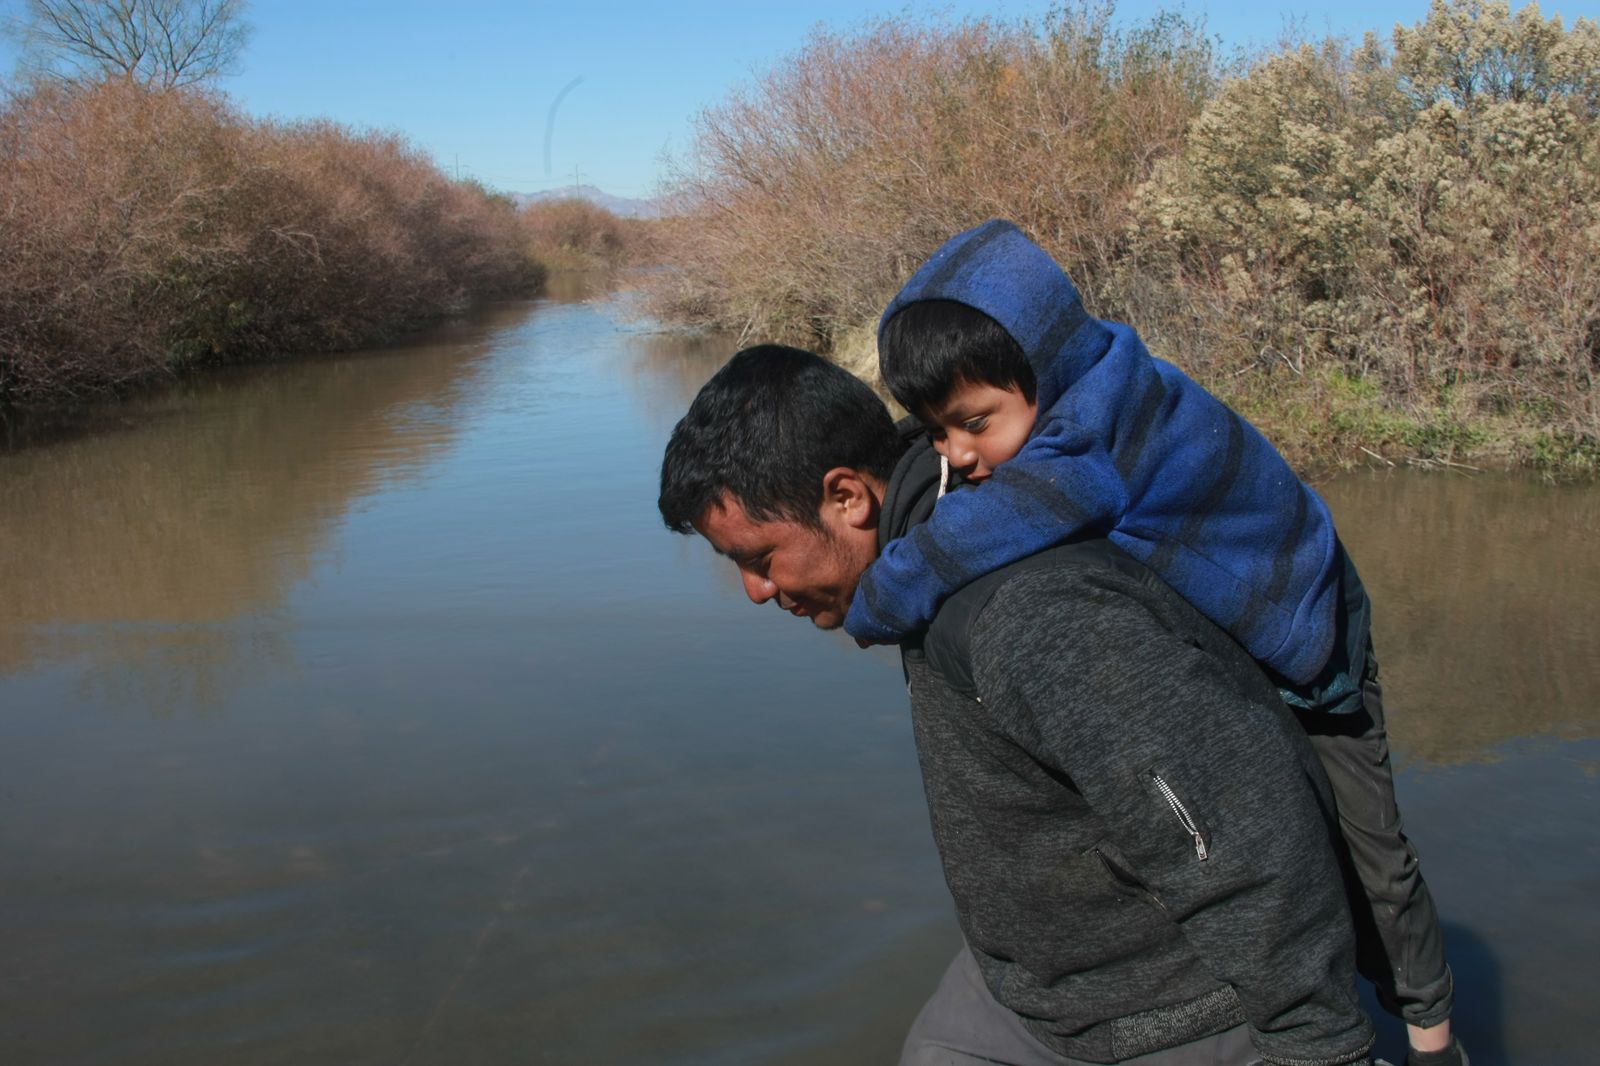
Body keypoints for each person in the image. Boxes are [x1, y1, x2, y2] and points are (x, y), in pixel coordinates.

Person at [842, 221, 1462, 1066]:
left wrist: (872, 599)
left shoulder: (1094, 438)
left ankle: (1435, 1039)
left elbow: (967, 544)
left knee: (1370, 853)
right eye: (935, 429)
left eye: (973, 424)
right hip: (1244, 616)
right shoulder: (1102, 368)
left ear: (1044, 366)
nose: (956, 455)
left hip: (1312, 627)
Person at [658, 344, 1378, 1066]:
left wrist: (1319, 1045)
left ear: (848, 497)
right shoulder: (919, 562)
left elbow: (1244, 837)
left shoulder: (1027, 615)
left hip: (1171, 1009)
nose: (756, 590)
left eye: (760, 558)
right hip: (1030, 986)